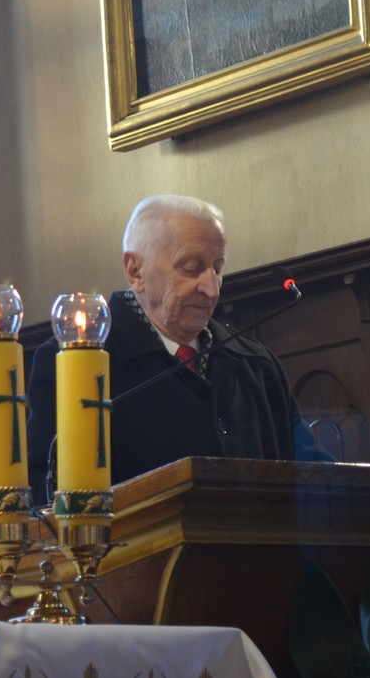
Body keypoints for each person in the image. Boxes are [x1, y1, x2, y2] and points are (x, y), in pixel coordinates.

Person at [27, 194, 329, 500]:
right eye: (191, 267)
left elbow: (314, 477)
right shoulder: (72, 363)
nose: (211, 289)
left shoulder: (257, 366)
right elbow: (48, 498)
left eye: (217, 269)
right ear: (135, 271)